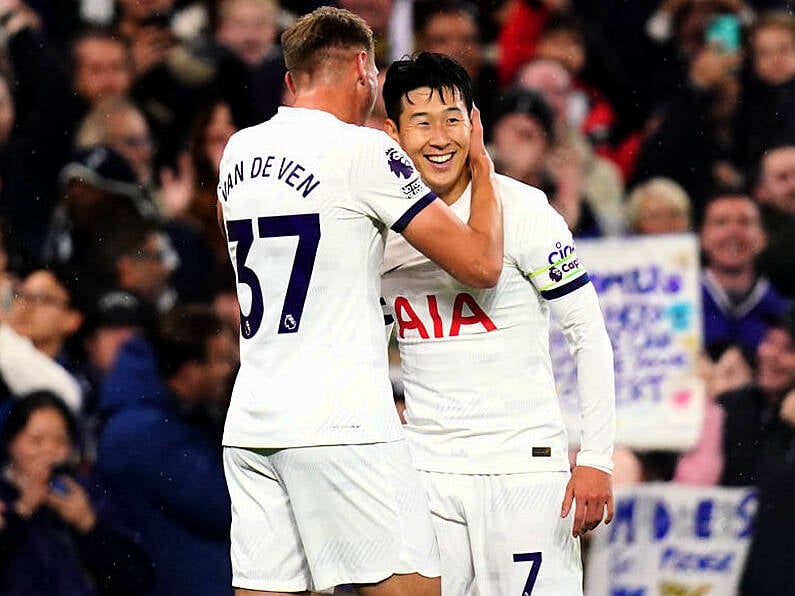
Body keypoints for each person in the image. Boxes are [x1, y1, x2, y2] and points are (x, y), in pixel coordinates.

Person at [216, 7, 503, 596]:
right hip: (342, 421)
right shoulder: (365, 151)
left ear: (292, 80)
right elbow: (480, 264)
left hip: (251, 423)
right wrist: (481, 165)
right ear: (362, 68)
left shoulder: (238, 152)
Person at [380, 51, 615, 596]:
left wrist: (597, 457)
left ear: (474, 122)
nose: (440, 138)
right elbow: (365, 348)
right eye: (421, 122)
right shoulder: (379, 227)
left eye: (452, 119)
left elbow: (588, 334)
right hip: (427, 474)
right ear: (392, 132)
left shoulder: (525, 209)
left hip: (524, 471)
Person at [96, 306, 236, 596]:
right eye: (222, 360)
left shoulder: (181, 415)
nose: (233, 368)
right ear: (189, 371)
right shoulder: (141, 431)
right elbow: (222, 504)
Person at [0, 391, 153, 595]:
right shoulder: (4, 499)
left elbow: (135, 576)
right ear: (11, 444)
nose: (49, 452)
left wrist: (88, 524)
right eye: (36, 441)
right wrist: (21, 512)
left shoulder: (92, 492)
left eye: (60, 441)